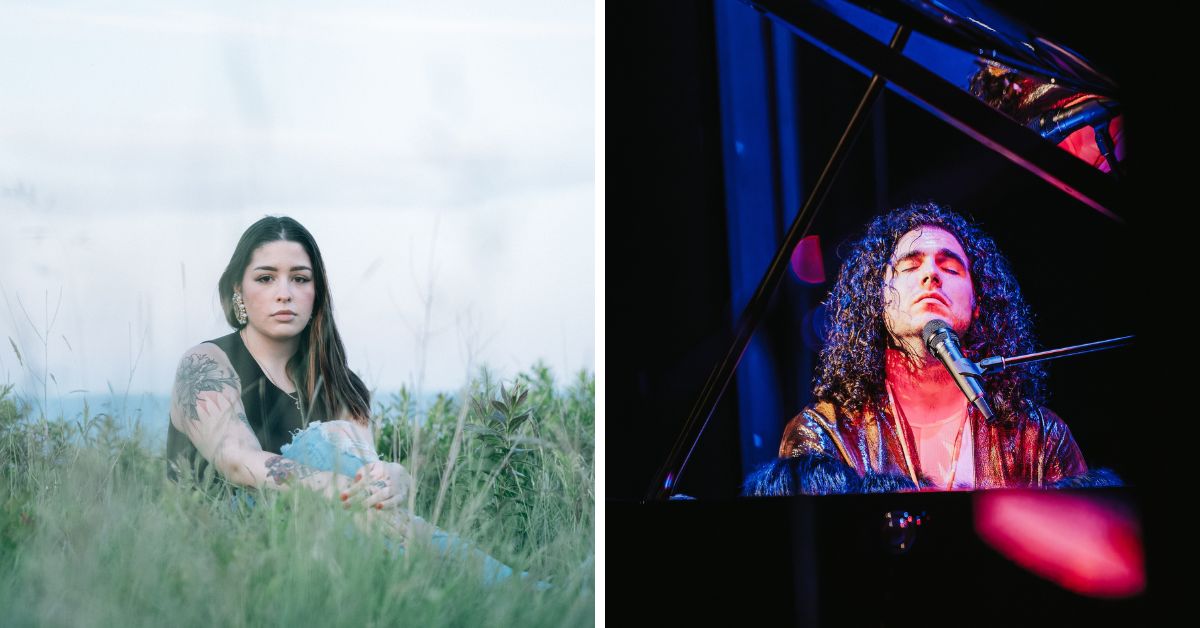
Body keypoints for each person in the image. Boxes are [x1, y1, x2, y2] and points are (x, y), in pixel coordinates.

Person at [166, 216, 535, 586]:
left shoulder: (340, 385)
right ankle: (514, 589)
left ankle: (499, 591)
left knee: (347, 464)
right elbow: (237, 462)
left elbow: (365, 471)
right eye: (266, 278)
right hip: (225, 555)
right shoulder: (205, 364)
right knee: (318, 445)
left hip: (327, 554)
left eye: (300, 278)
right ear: (237, 291)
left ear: (317, 292)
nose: (284, 293)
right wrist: (334, 486)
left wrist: (396, 478)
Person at [776, 202, 1088, 491]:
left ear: (977, 302)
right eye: (910, 267)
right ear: (879, 299)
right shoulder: (826, 434)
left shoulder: (1039, 435)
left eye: (951, 268)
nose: (931, 274)